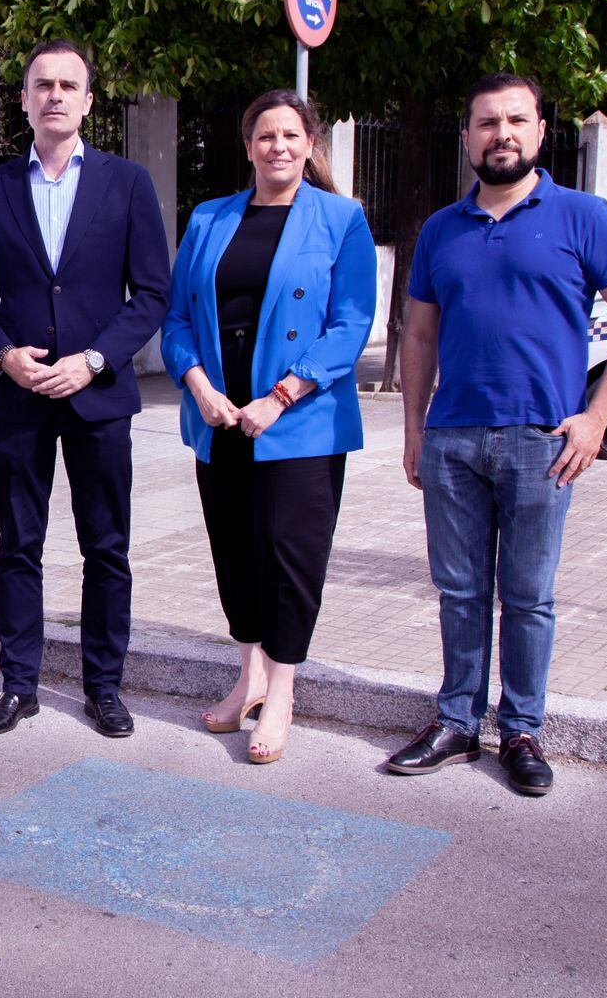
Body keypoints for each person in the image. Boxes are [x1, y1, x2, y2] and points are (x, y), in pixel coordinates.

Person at [386, 72, 607, 795]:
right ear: (468, 137)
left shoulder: (580, 216)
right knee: (460, 590)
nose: (500, 133)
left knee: (529, 596)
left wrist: (597, 416)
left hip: (545, 441)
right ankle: (455, 722)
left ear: (540, 132)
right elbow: (418, 332)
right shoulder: (442, 229)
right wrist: (414, 425)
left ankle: (523, 732)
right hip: (453, 441)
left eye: (515, 120)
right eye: (485, 122)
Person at [0, 40, 170, 738]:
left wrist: (98, 359)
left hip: (97, 398)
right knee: (19, 544)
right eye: (41, 84)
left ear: (87, 101)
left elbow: (152, 293)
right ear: (24, 99)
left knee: (106, 547)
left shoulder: (126, 183)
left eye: (67, 85)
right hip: (17, 400)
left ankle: (103, 685)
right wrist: (3, 356)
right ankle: (20, 686)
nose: (54, 95)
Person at [160, 89, 376, 764]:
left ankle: (281, 691)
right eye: (264, 136)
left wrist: (281, 396)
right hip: (220, 419)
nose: (277, 146)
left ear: (310, 144)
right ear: (247, 145)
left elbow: (351, 324)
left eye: (290, 135)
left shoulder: (341, 219)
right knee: (235, 553)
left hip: (300, 424)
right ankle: (248, 676)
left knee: (289, 557)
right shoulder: (208, 218)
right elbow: (176, 322)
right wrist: (198, 387)